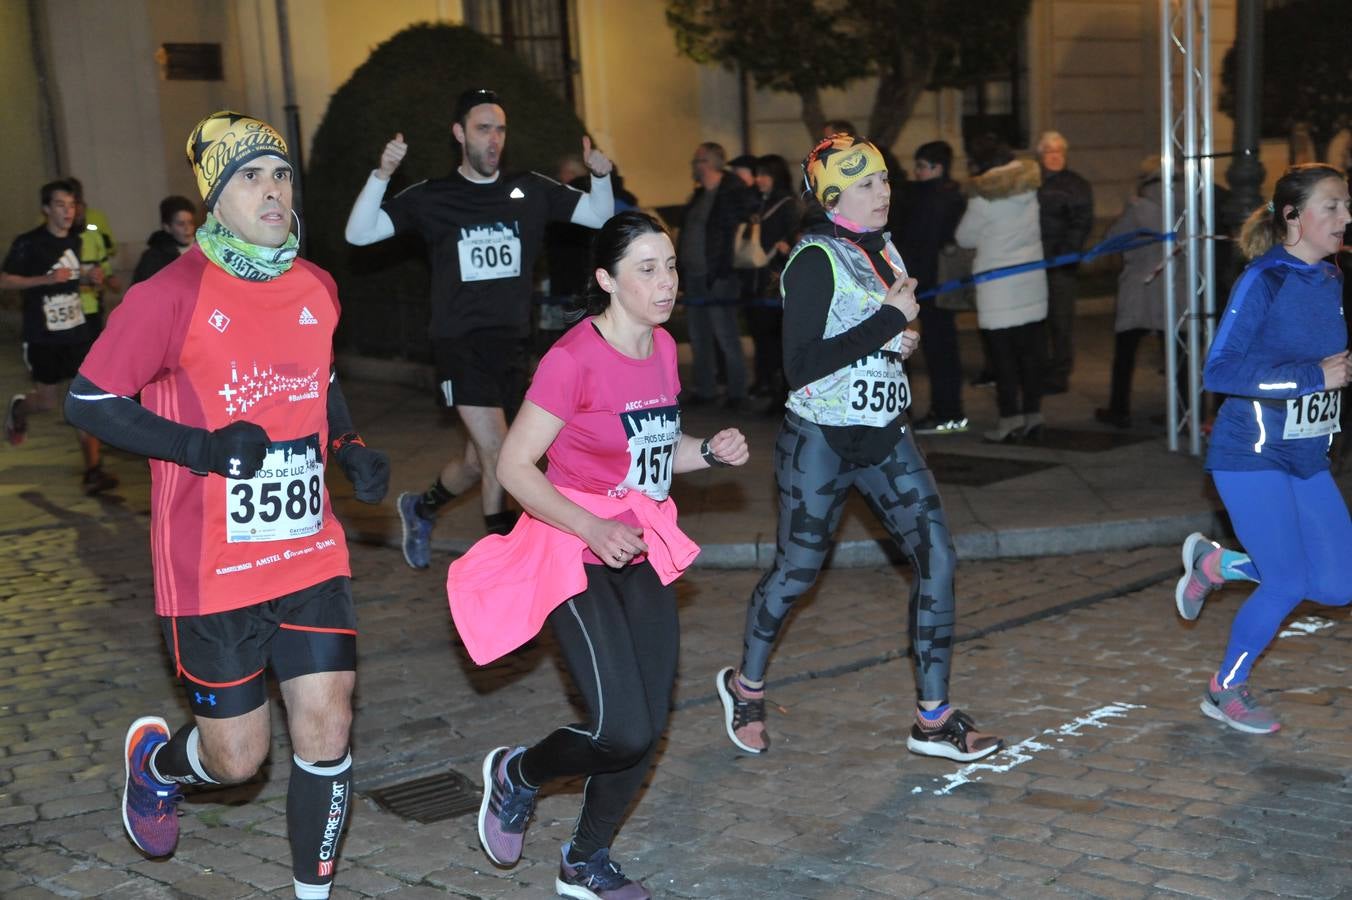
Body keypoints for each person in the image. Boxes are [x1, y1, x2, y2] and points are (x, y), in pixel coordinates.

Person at [64, 110, 390, 899]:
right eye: (249, 176)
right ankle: (159, 766)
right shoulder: (167, 295)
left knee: (328, 724)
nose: (272, 189)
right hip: (209, 569)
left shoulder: (317, 286)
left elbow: (324, 379)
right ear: (214, 197)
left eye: (279, 174)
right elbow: (89, 399)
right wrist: (201, 449)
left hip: (309, 552)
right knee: (238, 760)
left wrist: (346, 448)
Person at [446, 210, 748, 898]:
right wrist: (588, 526)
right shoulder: (572, 360)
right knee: (619, 727)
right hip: (571, 545)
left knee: (647, 727)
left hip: (634, 541)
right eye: (647, 269)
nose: (665, 281)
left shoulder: (664, 349)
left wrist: (707, 451)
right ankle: (518, 774)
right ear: (607, 280)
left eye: (669, 264)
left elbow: (652, 454)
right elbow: (518, 467)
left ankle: (585, 860)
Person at [715, 133, 1003, 763]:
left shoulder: (885, 247)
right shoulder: (814, 258)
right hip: (819, 440)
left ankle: (933, 718)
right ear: (834, 197)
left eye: (884, 179)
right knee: (797, 573)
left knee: (939, 559)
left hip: (886, 436)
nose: (884, 191)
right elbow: (800, 366)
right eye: (867, 184)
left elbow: (892, 325)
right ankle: (746, 684)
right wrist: (888, 325)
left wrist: (905, 338)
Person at [344, 87, 615, 568]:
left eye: (500, 129)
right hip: (458, 344)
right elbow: (359, 233)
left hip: (512, 344)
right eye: (483, 128)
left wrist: (600, 178)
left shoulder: (529, 189)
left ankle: (420, 506)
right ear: (459, 134)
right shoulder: (434, 197)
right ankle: (507, 567)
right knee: (503, 454)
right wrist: (381, 175)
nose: (493, 139)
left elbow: (599, 215)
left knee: (476, 459)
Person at [1173, 163, 1352, 734]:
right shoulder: (1264, 278)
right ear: (1293, 217)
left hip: (1305, 452)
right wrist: (1309, 378)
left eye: (1347, 205)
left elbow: (1324, 365)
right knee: (1288, 581)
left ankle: (1217, 564)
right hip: (1249, 453)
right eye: (1333, 205)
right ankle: (1225, 689)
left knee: (1337, 584)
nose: (1346, 217)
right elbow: (1219, 370)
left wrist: (1326, 380)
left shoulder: (1329, 277)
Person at [1, 179, 118, 494]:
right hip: (43, 336)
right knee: (48, 402)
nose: (68, 212)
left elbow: (70, 276)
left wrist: (89, 277)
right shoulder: (29, 243)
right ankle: (22, 407)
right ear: (45, 209)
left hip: (77, 332)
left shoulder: (78, 239)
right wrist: (46, 279)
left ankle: (93, 470)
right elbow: (6, 280)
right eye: (60, 205)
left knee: (83, 399)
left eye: (71, 205)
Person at [956, 138, 1049, 443]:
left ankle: (1009, 419)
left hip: (997, 289)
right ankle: (1034, 415)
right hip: (1032, 282)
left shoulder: (983, 200)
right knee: (1032, 355)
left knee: (1002, 358)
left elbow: (964, 238)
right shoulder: (1031, 192)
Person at [1093, 157, 1179, 429]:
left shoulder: (1139, 210)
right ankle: (1185, 411)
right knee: (1178, 353)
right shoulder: (1191, 205)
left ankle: (1119, 409)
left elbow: (1112, 239)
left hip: (1141, 288)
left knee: (1126, 352)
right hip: (1176, 287)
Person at [893, 140, 969, 434]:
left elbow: (920, 243)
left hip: (933, 284)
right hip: (939, 283)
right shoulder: (948, 195)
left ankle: (948, 412)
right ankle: (948, 410)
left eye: (922, 166)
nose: (917, 172)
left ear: (937, 167)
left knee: (942, 352)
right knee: (942, 350)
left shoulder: (933, 199)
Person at [679, 141, 756, 408]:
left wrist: (724, 269)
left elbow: (735, 232)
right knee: (698, 335)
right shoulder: (700, 196)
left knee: (725, 334)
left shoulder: (731, 192)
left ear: (708, 163)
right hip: (695, 274)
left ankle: (737, 392)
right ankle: (706, 389)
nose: (693, 166)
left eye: (696, 161)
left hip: (719, 275)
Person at [1036, 131, 1094, 395]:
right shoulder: (1033, 182)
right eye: (1049, 152)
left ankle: (1059, 373)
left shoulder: (1076, 185)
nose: (1055, 156)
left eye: (1059, 151)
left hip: (1060, 265)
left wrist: (1064, 254)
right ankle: (1039, 369)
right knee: (1037, 321)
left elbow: (1081, 223)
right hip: (1033, 263)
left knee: (1060, 321)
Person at [743, 154, 800, 400]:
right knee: (761, 335)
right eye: (757, 174)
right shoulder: (757, 203)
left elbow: (795, 238)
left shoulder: (788, 204)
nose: (759, 180)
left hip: (776, 280)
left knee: (777, 338)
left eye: (765, 174)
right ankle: (765, 381)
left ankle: (780, 390)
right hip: (756, 279)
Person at [131, 195, 198, 285]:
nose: (187, 228)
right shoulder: (153, 258)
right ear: (167, 227)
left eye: (190, 222)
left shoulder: (204, 250)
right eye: (181, 224)